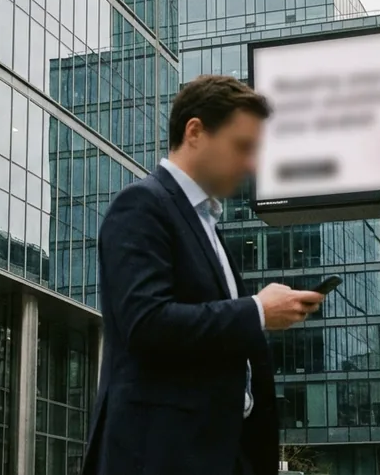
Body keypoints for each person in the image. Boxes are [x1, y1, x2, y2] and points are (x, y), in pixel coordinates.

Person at [83, 75, 326, 475]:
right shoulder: (141, 206)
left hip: (216, 451)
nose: (251, 164)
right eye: (242, 146)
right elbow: (146, 323)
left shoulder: (207, 225)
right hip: (162, 455)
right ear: (195, 131)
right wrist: (258, 312)